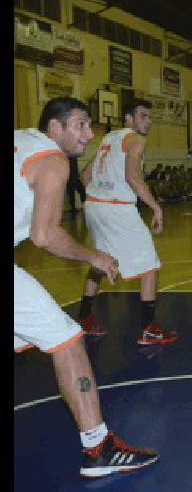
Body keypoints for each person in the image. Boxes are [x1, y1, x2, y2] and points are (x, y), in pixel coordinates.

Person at [15, 97, 159, 477]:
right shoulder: (52, 159)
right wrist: (93, 256)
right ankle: (97, 448)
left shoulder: (20, 140)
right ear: (54, 127)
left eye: (89, 125)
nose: (88, 134)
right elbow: (43, 235)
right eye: (79, 125)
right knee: (67, 341)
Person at [75, 98, 177, 346]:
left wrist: (101, 196)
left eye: (149, 117)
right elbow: (132, 177)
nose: (148, 122)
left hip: (95, 206)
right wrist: (156, 207)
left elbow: (84, 176)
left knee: (100, 262)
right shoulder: (135, 140)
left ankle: (85, 318)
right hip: (117, 209)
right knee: (149, 266)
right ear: (129, 118)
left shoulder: (108, 139)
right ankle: (148, 328)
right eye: (143, 116)